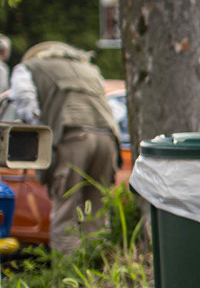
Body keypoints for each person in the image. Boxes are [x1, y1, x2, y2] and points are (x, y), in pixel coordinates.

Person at [9, 42, 120, 256]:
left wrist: (37, 128)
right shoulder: (89, 69)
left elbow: (24, 100)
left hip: (72, 137)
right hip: (108, 138)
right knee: (97, 211)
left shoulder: (30, 68)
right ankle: (97, 275)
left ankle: (67, 277)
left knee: (65, 210)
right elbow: (110, 105)